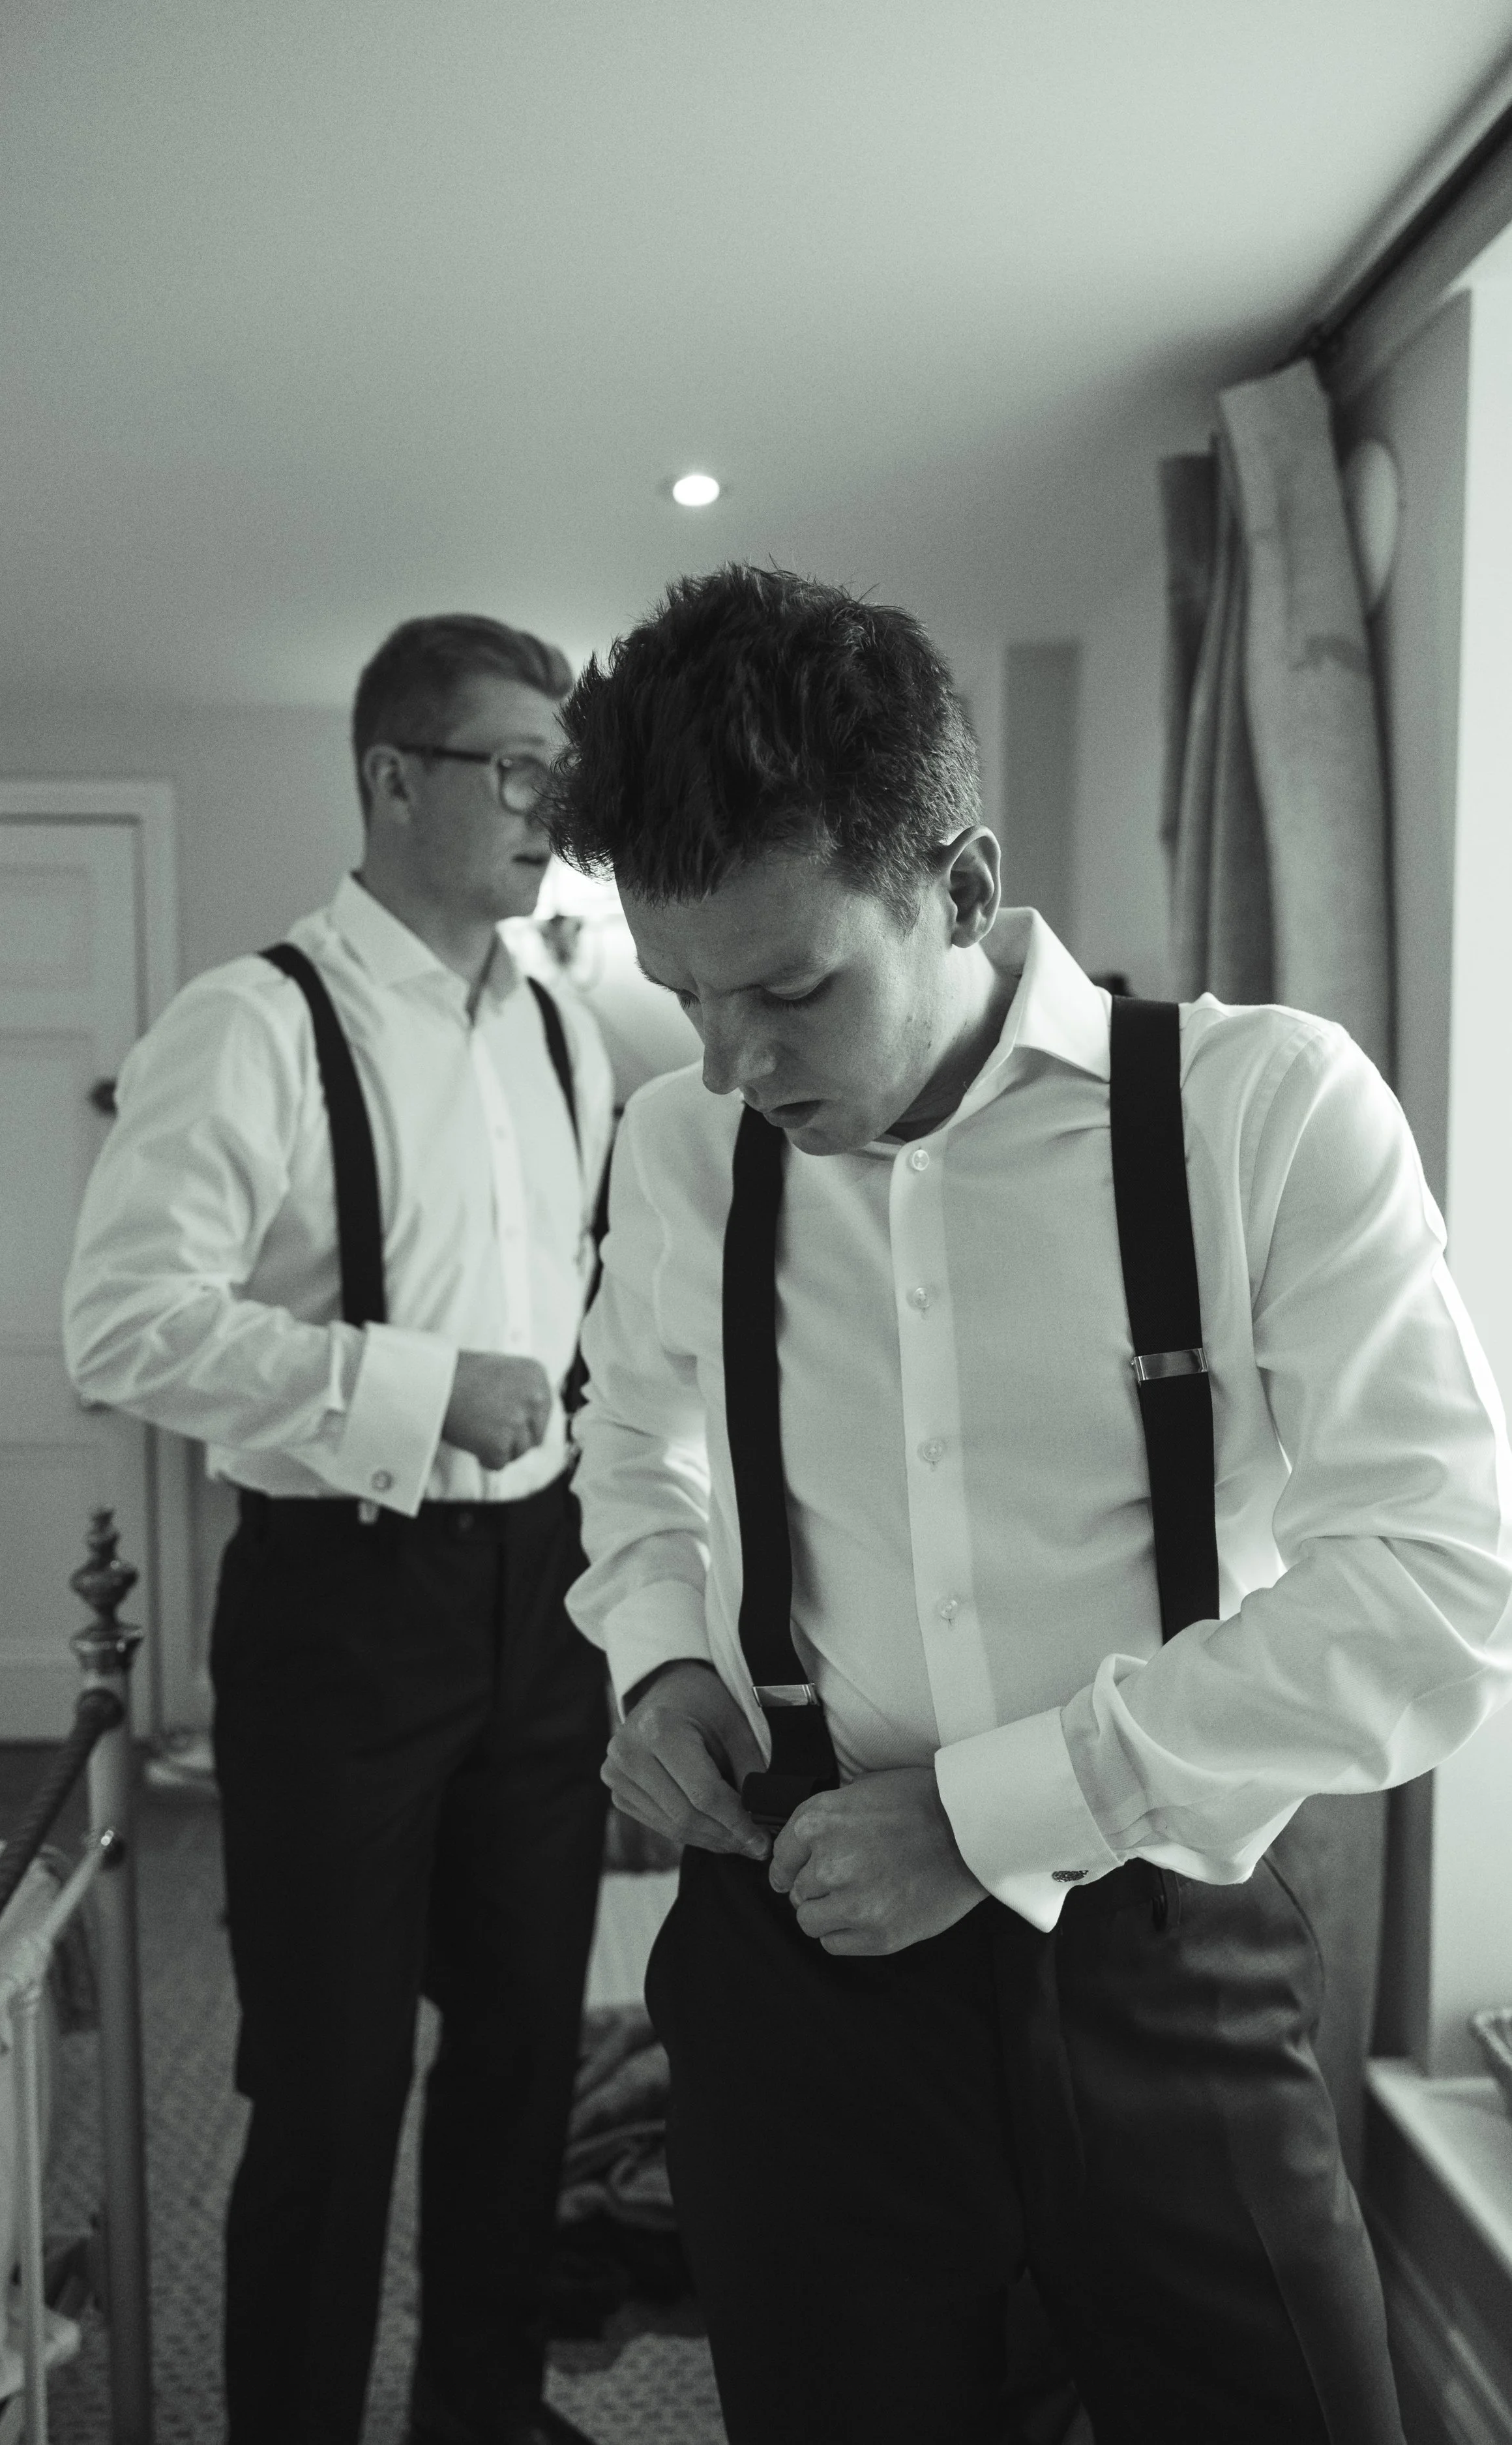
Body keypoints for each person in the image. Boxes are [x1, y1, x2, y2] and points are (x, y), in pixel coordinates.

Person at [543, 564, 1512, 2445]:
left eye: (790, 986)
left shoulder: (1258, 1110)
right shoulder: (678, 1145)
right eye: (683, 995)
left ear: (961, 888)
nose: (734, 1060)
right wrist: (657, 1660)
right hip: (792, 1965)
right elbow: (632, 1433)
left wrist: (989, 1817)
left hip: (1157, 1956)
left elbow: (1429, 1584)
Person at [64, 615, 614, 2445]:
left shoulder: (563, 1029)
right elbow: (124, 1319)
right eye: (517, 764)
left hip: (539, 1601)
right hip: (339, 1607)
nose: (555, 801)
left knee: (530, 2050)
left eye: (562, 768)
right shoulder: (253, 1018)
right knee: (328, 2077)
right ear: (393, 776)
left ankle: (481, 2406)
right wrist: (413, 1385)